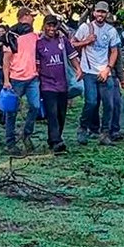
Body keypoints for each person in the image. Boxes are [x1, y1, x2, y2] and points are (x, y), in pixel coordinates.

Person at [73, 1, 124, 145]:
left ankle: (105, 133)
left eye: (103, 12)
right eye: (98, 11)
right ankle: (83, 128)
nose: (100, 14)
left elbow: (114, 51)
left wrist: (108, 68)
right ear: (94, 12)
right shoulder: (85, 28)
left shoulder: (111, 31)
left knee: (109, 105)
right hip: (89, 72)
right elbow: (73, 44)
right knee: (91, 102)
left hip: (104, 72)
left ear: (107, 14)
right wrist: (86, 41)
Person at [36, 15, 78, 154]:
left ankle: (54, 138)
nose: (51, 28)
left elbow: (72, 56)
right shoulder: (39, 43)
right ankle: (56, 141)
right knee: (52, 113)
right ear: (44, 26)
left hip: (62, 84)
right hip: (47, 84)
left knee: (61, 114)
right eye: (49, 25)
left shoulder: (62, 40)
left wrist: (78, 69)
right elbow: (37, 65)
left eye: (54, 25)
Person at [2, 8, 41, 155]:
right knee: (11, 112)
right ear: (24, 17)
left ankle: (27, 134)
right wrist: (6, 80)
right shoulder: (11, 36)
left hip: (32, 77)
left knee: (35, 106)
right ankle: (10, 142)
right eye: (32, 16)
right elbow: (6, 60)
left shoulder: (34, 36)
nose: (33, 19)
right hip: (16, 78)